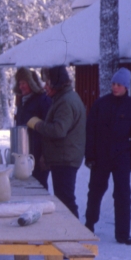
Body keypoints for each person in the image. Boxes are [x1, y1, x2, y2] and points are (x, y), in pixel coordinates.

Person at [84, 68, 131, 245]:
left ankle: (123, 233)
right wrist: (90, 156)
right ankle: (89, 225)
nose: (115, 87)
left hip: (121, 157)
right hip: (100, 156)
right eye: (113, 84)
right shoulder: (100, 104)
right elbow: (90, 131)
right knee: (95, 192)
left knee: (122, 195)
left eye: (119, 84)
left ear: (126, 86)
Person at [26, 66, 86, 217]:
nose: (45, 86)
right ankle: (70, 233)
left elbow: (59, 130)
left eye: (47, 82)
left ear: (56, 83)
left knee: (66, 200)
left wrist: (38, 124)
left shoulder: (65, 102)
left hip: (65, 160)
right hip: (63, 157)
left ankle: (73, 235)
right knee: (63, 199)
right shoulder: (62, 98)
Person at [13, 67, 51, 189]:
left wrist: (45, 155)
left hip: (38, 156)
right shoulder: (22, 103)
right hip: (24, 155)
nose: (21, 86)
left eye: (24, 83)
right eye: (19, 83)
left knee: (39, 187)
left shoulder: (43, 101)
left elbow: (48, 130)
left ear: (31, 84)